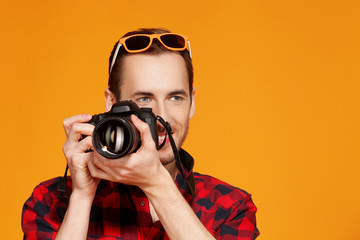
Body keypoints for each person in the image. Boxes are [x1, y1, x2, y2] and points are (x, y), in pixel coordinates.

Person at [22, 28, 260, 240]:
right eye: (144, 99)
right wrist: (82, 198)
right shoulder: (50, 201)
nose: (162, 117)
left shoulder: (230, 206)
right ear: (112, 103)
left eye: (175, 98)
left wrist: (156, 184)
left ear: (192, 102)